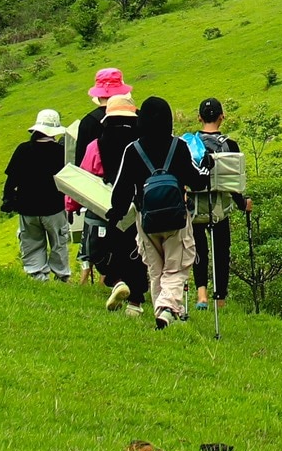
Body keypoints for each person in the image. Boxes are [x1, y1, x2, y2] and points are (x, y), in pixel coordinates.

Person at [105, 95, 207, 330]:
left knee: (156, 271)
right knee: (177, 267)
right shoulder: (178, 146)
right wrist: (207, 168)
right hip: (175, 219)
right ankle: (166, 309)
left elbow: (121, 189)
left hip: (146, 219)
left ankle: (164, 312)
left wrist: (116, 213)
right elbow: (197, 181)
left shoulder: (133, 150)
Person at [88, 90, 149, 311]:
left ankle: (117, 281)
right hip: (139, 202)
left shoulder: (97, 144)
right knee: (138, 250)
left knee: (109, 248)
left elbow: (87, 172)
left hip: (111, 203)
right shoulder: (142, 142)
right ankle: (136, 301)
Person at [184, 97, 247, 311]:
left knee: (198, 247)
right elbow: (235, 184)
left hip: (195, 208)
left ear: (199, 118)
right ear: (222, 117)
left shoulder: (189, 145)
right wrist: (243, 203)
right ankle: (220, 299)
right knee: (221, 251)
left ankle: (201, 293)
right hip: (219, 209)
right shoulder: (230, 145)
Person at [0, 109, 70, 282]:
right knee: (59, 243)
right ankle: (61, 276)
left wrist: (7, 199)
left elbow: (11, 179)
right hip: (54, 208)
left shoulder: (23, 149)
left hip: (27, 208)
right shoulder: (61, 152)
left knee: (31, 243)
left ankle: (37, 276)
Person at [71, 68, 126, 282]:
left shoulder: (88, 122)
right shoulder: (134, 117)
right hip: (127, 188)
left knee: (95, 234)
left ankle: (96, 276)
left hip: (96, 190)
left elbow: (79, 166)